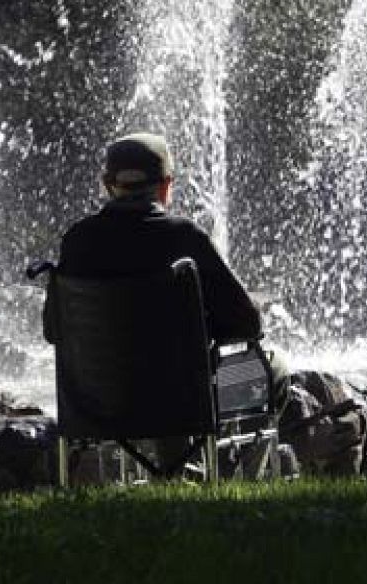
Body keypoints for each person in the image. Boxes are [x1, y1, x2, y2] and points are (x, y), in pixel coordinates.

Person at [43, 132, 286, 472]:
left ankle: (177, 470)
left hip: (97, 404)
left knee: (149, 377)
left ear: (106, 184)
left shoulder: (78, 241)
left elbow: (54, 331)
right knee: (274, 369)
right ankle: (223, 472)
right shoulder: (183, 237)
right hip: (180, 404)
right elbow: (249, 324)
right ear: (166, 186)